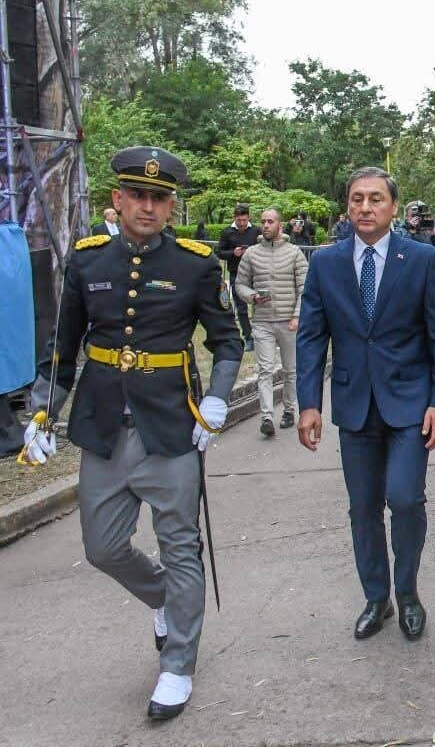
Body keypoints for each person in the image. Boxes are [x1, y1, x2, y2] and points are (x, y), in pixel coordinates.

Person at [23, 147, 242, 720]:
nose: (148, 206)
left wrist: (217, 397)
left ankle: (178, 664)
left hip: (170, 425)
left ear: (171, 206)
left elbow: (228, 340)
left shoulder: (196, 264)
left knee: (180, 544)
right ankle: (163, 598)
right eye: (137, 196)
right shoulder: (88, 260)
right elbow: (62, 347)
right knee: (103, 547)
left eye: (159, 198)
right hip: (102, 424)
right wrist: (44, 411)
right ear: (116, 200)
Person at [295, 167, 435, 643]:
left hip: (411, 404)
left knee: (405, 499)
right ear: (347, 207)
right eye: (356, 200)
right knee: (362, 506)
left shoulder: (423, 259)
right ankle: (376, 597)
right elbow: (310, 338)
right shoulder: (326, 263)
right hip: (354, 404)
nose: (365, 208)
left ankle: (407, 593)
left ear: (392, 207)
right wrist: (309, 403)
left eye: (376, 200)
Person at [234, 208, 309, 438]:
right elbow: (240, 284)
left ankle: (288, 409)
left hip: (288, 322)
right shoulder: (252, 254)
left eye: (270, 221)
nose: (265, 225)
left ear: (280, 224)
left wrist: (297, 315)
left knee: (290, 371)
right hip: (262, 321)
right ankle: (266, 416)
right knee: (265, 370)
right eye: (263, 221)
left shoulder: (294, 253)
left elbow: (305, 288)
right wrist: (252, 296)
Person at [215, 204, 260, 352]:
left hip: (256, 272)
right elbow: (219, 252)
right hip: (237, 273)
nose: (242, 223)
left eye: (244, 220)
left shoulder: (256, 231)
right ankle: (248, 337)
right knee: (241, 307)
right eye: (239, 220)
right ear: (234, 218)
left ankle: (261, 335)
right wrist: (233, 253)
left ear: (249, 218)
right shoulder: (227, 232)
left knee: (260, 304)